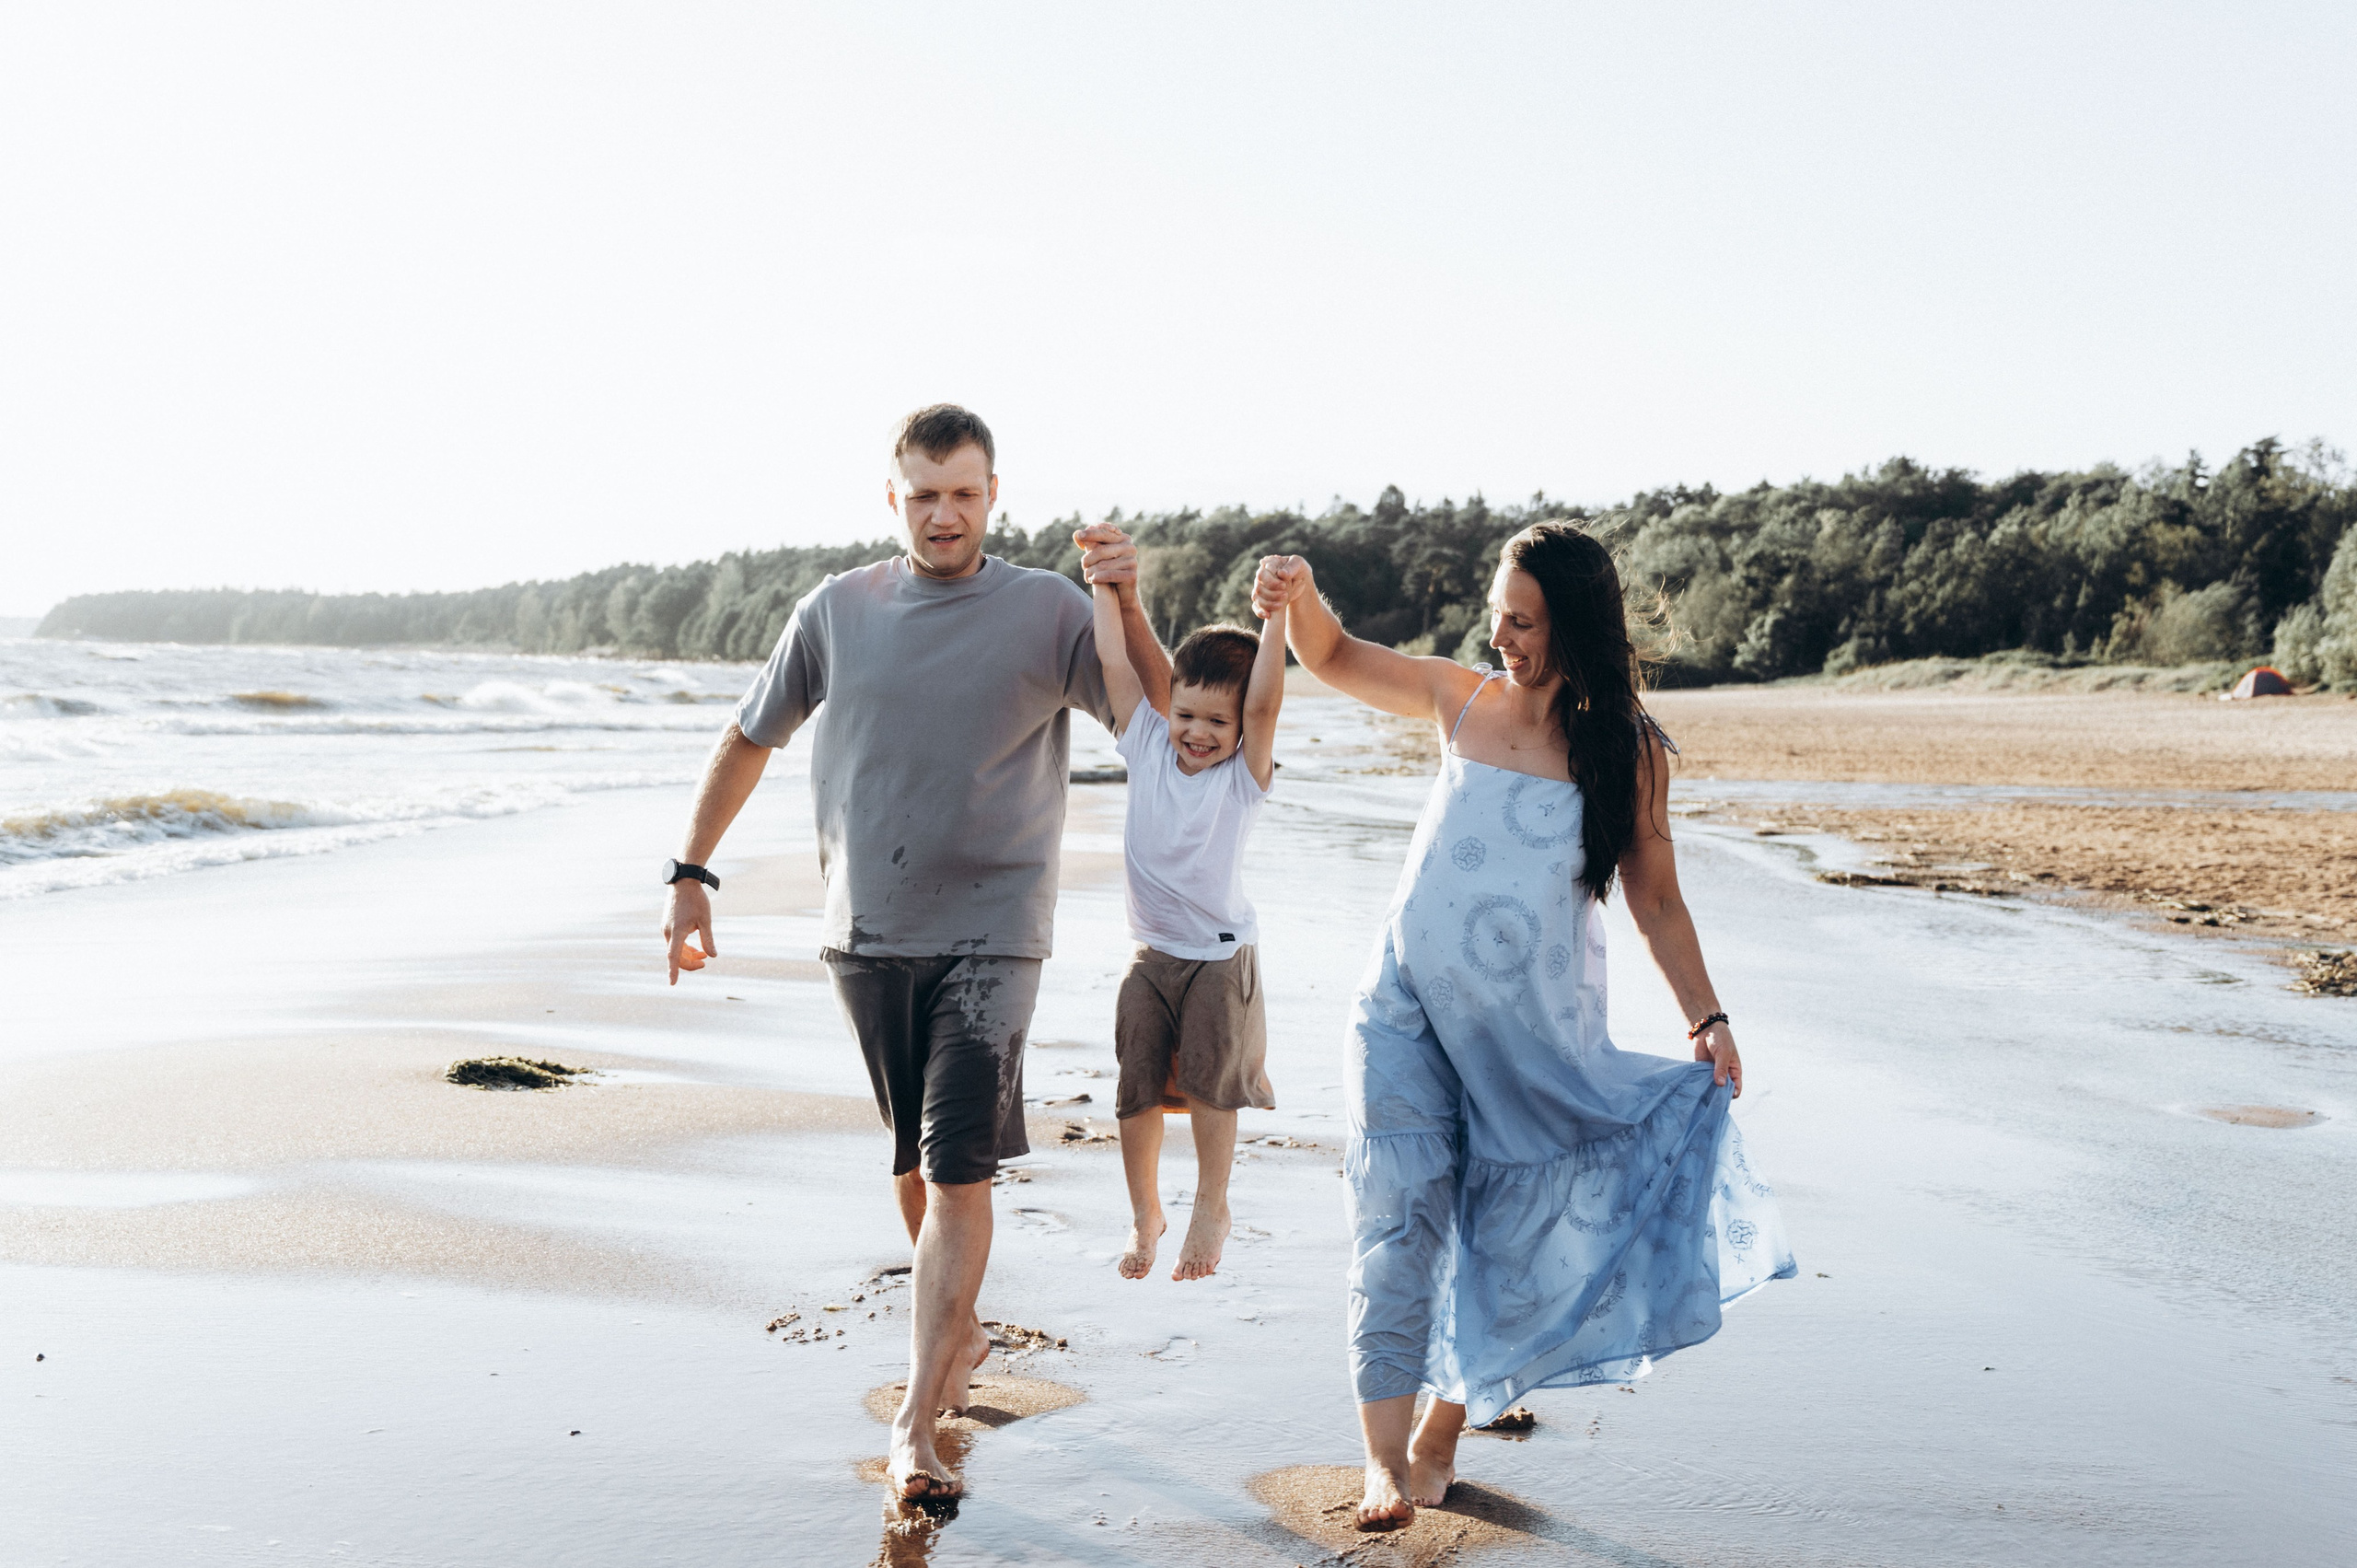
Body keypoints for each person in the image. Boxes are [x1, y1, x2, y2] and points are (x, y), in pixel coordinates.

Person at [659, 404, 1171, 1503]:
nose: (945, 512)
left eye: (965, 492)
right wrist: (691, 872)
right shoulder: (837, 609)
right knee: (915, 1157)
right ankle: (961, 1328)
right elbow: (751, 734)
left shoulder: (1048, 608)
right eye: (924, 492)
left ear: (995, 495)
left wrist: (1124, 601)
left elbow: (1153, 720)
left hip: (996, 931)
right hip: (866, 929)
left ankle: (913, 1419)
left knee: (955, 1166)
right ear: (892, 495)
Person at [1250, 525, 1794, 1532]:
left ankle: (1442, 1427)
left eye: (1524, 619)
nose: (1501, 633)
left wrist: (1706, 1016)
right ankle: (1379, 1462)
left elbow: (1658, 902)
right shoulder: (1460, 699)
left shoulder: (1624, 753)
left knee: (1501, 1233)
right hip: (1401, 1012)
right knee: (1395, 1218)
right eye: (1498, 611)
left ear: (1574, 626)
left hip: (1533, 1043)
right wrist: (1302, 592)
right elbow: (1327, 655)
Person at [1081, 570, 1287, 1283]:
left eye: (1217, 723)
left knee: (1208, 1084)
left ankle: (1210, 1204)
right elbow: (1115, 660)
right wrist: (1104, 584)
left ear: (1239, 733)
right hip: (1152, 955)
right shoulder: (1144, 741)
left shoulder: (1241, 778)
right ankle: (1146, 1213)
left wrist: (1277, 618)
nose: (1198, 733)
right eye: (1187, 714)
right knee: (1134, 1087)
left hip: (1220, 959)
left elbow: (1263, 705)